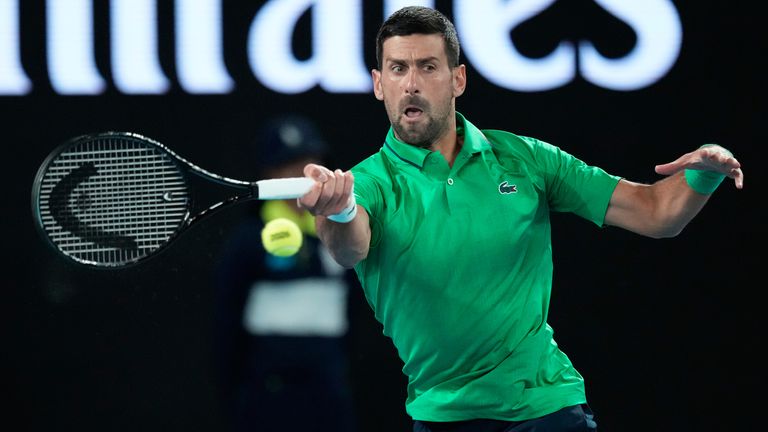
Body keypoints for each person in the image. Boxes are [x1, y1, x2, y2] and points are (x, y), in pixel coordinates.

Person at [295, 6, 745, 432]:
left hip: (545, 405)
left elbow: (656, 213)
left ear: (457, 79)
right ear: (378, 83)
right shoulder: (367, 182)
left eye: (428, 67)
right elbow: (348, 247)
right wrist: (339, 208)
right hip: (443, 413)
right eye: (398, 69)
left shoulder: (526, 159)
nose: (411, 83)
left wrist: (701, 176)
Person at [212, 114, 358, 432]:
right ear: (269, 174)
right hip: (267, 395)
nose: (300, 177)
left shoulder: (343, 233)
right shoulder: (248, 242)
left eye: (310, 164)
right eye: (290, 166)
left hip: (328, 392)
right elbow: (226, 324)